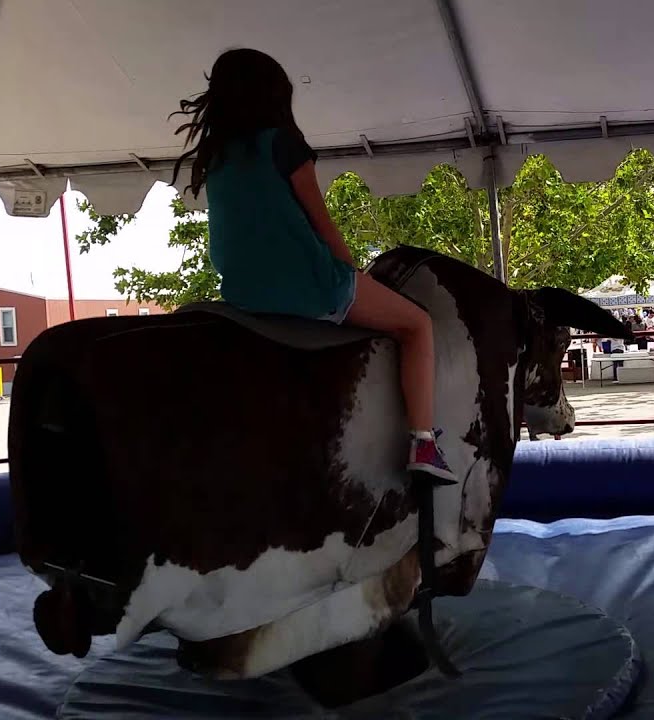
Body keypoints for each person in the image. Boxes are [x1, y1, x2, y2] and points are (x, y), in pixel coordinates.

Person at [169, 48, 455, 480]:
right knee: (417, 325)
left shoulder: (218, 157)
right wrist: (349, 270)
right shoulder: (283, 144)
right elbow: (322, 224)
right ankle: (424, 445)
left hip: (243, 293)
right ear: (274, 94)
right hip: (308, 284)